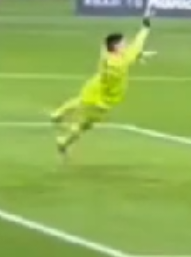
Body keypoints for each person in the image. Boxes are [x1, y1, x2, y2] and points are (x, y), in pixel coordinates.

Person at [51, 8, 155, 153]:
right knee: (83, 125)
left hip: (94, 88)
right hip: (103, 101)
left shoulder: (108, 56)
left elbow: (132, 48)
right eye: (123, 43)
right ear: (116, 47)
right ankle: (63, 142)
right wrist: (145, 28)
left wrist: (139, 51)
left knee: (80, 101)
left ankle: (58, 114)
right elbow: (135, 46)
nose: (126, 44)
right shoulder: (121, 60)